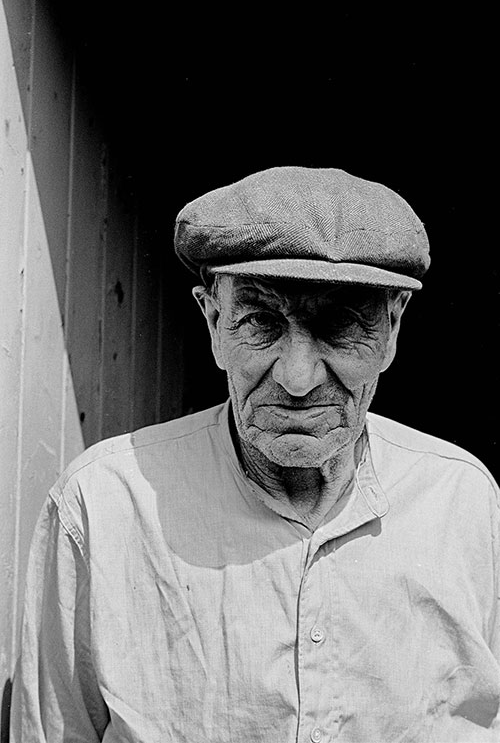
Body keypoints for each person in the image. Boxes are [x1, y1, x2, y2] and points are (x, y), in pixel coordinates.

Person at [11, 167, 499, 742]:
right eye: (260, 323)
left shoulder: (463, 502)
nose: (297, 378)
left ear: (392, 329)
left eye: (340, 325)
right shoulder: (102, 507)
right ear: (213, 321)